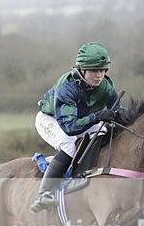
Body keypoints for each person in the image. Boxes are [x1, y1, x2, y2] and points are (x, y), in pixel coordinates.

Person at [31, 42, 123, 212]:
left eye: (103, 70)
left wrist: (119, 116)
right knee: (68, 145)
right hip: (52, 120)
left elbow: (119, 112)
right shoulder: (67, 87)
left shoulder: (106, 86)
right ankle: (43, 194)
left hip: (79, 119)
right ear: (82, 70)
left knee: (103, 133)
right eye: (94, 70)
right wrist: (97, 116)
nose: (99, 76)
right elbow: (70, 128)